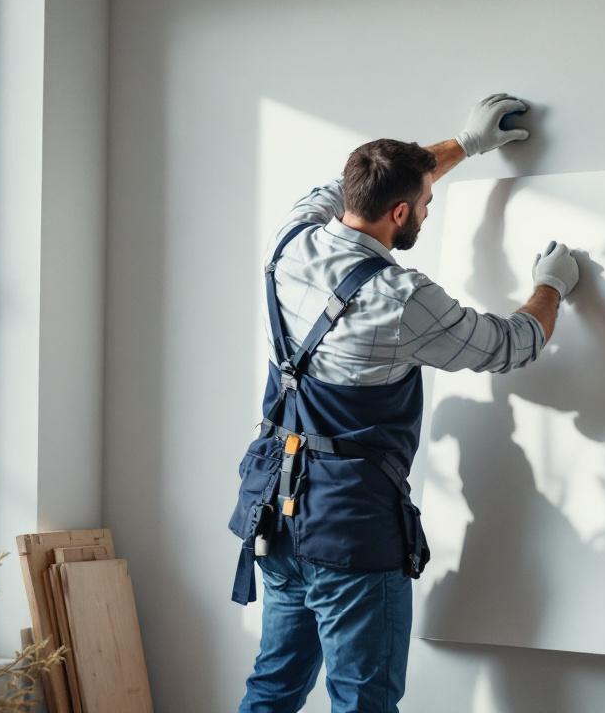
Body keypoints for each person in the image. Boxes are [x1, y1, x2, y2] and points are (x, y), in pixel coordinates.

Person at [230, 93, 580, 712]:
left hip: (277, 515)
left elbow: (356, 186)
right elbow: (508, 345)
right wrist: (550, 287)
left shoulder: (288, 240)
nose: (428, 207)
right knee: (364, 702)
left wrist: (466, 145)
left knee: (274, 687)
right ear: (400, 213)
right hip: (350, 535)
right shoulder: (399, 298)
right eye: (424, 204)